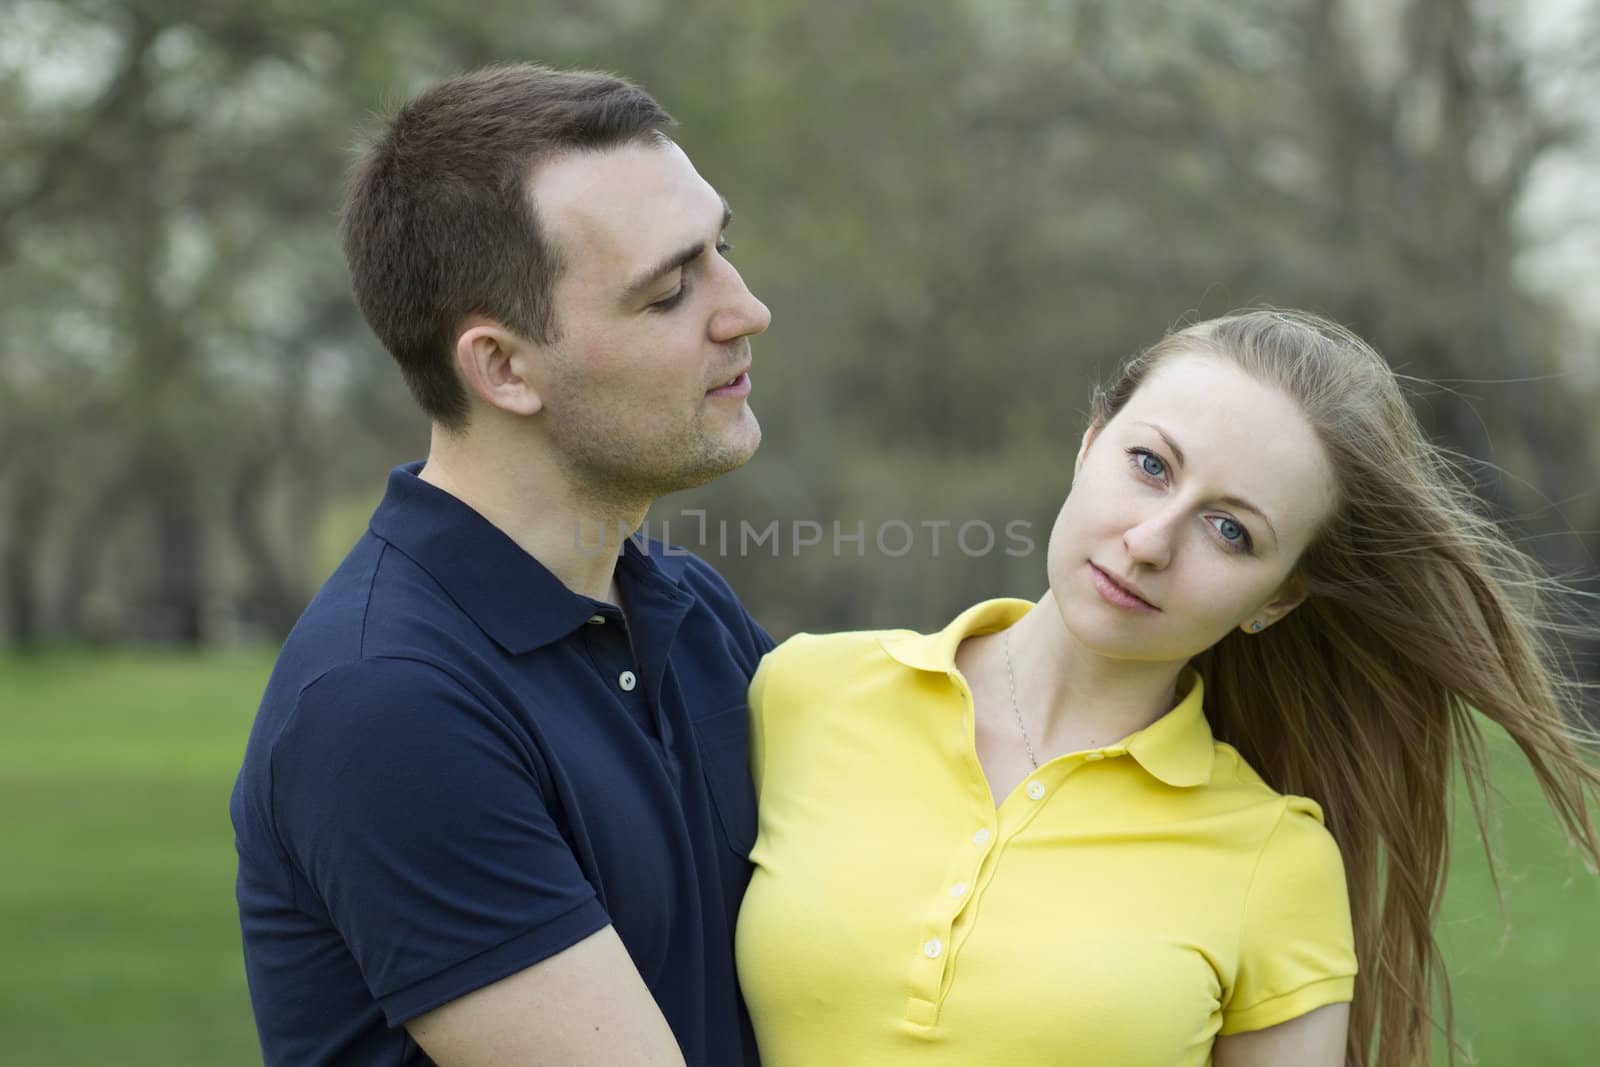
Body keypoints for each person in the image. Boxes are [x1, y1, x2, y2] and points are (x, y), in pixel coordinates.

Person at [735, 310, 1600, 1067]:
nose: (1150, 541)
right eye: (1149, 464)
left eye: (1230, 531)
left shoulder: (1274, 863)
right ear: (1089, 443)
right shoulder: (804, 691)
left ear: (1278, 598)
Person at [230, 64, 774, 1067]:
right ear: (504, 367)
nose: (746, 310)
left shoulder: (687, 610)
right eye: (669, 290)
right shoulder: (386, 702)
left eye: (722, 252)